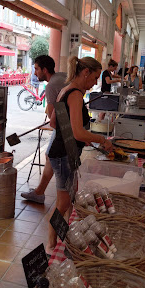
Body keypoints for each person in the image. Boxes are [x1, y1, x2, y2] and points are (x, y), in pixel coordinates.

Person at [46, 56, 112, 255]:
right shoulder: (74, 94)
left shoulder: (66, 90)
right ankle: (51, 244)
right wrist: (102, 140)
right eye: (94, 78)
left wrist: (77, 137)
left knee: (66, 202)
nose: (94, 83)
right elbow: (77, 132)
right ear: (85, 73)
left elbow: (53, 123)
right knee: (63, 203)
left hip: (64, 151)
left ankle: (60, 238)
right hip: (63, 154)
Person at [21, 55, 67, 204]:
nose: (35, 73)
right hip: (68, 123)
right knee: (49, 156)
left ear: (44, 70)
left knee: (54, 158)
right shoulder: (62, 76)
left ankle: (49, 196)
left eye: (36, 69)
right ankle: (39, 192)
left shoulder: (51, 85)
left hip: (65, 127)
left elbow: (51, 116)